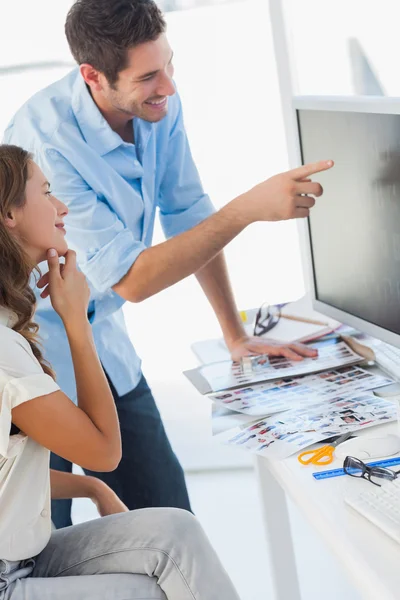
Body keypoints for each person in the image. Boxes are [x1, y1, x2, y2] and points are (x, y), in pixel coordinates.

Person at [4, 0, 333, 528]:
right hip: (34, 361)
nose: (170, 87)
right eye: (150, 76)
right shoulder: (46, 141)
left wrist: (234, 333)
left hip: (101, 344)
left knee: (171, 514)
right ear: (93, 76)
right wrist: (247, 210)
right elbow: (132, 280)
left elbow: (189, 213)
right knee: (42, 537)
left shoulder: (156, 107)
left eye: (170, 65)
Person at [0, 143, 240, 600]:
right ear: (9, 214)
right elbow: (105, 452)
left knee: (176, 531)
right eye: (47, 192)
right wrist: (77, 322)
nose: (61, 206)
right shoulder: (4, 352)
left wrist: (90, 487)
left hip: (19, 558)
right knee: (148, 592)